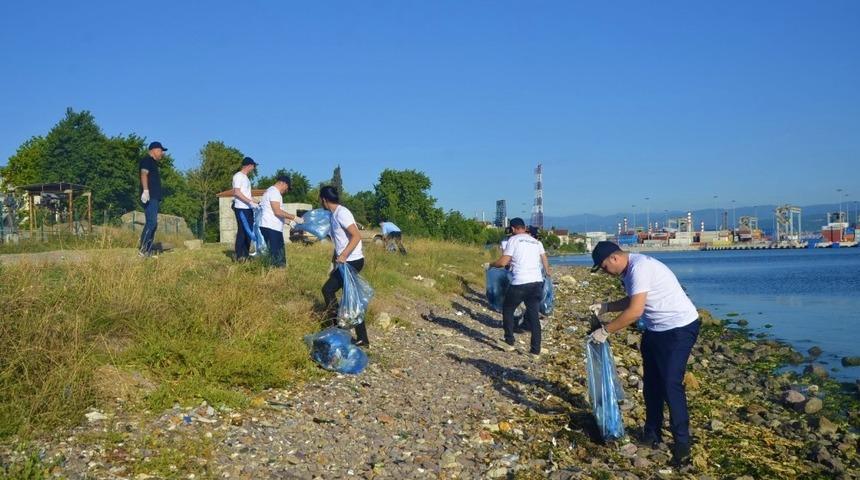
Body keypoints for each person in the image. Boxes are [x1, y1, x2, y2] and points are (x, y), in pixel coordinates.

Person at [588, 240, 700, 467]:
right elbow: (635, 298)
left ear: (614, 258)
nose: (604, 272)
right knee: (651, 384)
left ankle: (682, 444)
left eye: (604, 267)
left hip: (679, 328)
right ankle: (652, 434)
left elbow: (635, 311)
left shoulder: (640, 267)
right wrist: (607, 307)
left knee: (670, 383)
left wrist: (606, 330)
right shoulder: (629, 270)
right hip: (656, 329)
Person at [488, 217, 551, 357]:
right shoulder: (536, 241)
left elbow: (504, 262)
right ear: (524, 227)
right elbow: (544, 258)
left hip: (520, 282)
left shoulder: (513, 240)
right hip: (537, 282)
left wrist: (492, 264)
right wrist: (547, 271)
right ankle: (535, 351)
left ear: (512, 228)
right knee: (534, 315)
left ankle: (509, 341)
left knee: (508, 308)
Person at [319, 185, 370, 346]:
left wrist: (343, 255)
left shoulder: (342, 213)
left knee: (329, 290)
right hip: (344, 262)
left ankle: (338, 328)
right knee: (346, 296)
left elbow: (356, 236)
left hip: (352, 261)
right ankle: (358, 336)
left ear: (324, 200)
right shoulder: (334, 215)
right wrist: (335, 259)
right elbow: (340, 241)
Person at [259, 174, 303, 268]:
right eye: (287, 188)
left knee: (278, 252)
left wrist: (288, 222)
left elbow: (273, 213)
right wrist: (294, 217)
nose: (286, 191)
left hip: (271, 226)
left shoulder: (270, 191)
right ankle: (276, 273)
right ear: (283, 183)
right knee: (276, 253)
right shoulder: (274, 192)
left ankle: (279, 271)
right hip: (271, 227)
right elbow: (277, 212)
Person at [138, 141, 166, 257]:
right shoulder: (147, 160)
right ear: (153, 150)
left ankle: (148, 251)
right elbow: (143, 174)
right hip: (150, 196)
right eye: (160, 151)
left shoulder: (154, 163)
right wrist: (145, 191)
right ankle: (143, 249)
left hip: (155, 197)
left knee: (153, 224)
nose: (162, 153)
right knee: (151, 222)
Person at [232, 157, 259, 262]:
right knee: (242, 231)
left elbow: (247, 195)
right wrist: (250, 202)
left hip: (248, 208)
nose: (253, 168)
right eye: (253, 166)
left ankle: (246, 254)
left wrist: (257, 202)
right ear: (249, 165)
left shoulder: (246, 178)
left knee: (249, 232)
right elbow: (237, 192)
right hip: (241, 208)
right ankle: (239, 256)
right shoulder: (238, 176)